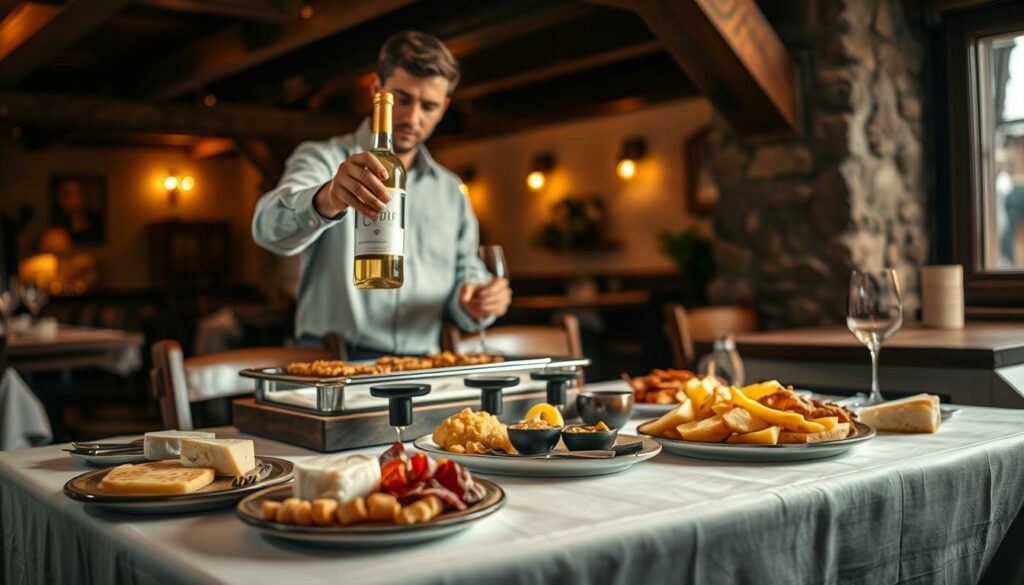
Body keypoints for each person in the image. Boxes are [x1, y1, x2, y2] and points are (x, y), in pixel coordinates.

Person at [252, 31, 512, 359]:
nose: (412, 118)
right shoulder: (322, 159)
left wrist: (479, 301)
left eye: (428, 105)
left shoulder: (451, 191)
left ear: (444, 107)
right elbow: (266, 228)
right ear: (378, 91)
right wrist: (329, 197)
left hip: (421, 368)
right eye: (402, 99)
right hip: (333, 362)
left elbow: (467, 280)